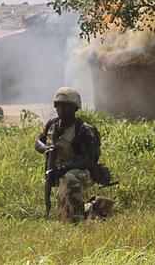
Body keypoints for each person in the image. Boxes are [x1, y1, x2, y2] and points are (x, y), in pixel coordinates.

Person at [34, 87, 112, 222]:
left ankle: (80, 215)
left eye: (65, 106)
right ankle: (94, 206)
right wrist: (46, 149)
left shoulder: (84, 130)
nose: (61, 109)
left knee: (69, 179)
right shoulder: (52, 125)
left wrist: (64, 168)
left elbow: (88, 160)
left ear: (74, 108)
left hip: (82, 172)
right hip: (58, 172)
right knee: (62, 215)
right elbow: (38, 142)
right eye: (58, 106)